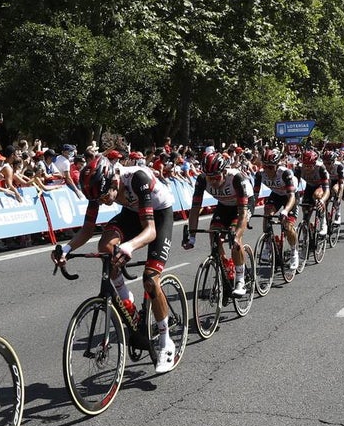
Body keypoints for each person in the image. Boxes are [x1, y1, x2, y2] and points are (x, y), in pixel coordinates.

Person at [51, 156, 179, 372]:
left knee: (150, 278)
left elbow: (150, 231)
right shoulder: (97, 188)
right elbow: (87, 229)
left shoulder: (137, 178)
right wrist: (66, 249)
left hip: (158, 215)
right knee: (105, 246)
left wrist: (129, 246)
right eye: (97, 199)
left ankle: (166, 342)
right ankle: (127, 299)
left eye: (103, 197)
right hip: (131, 213)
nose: (101, 202)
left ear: (113, 180)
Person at [184, 151, 252, 297]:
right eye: (210, 178)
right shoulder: (202, 180)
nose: (213, 181)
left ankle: (240, 279)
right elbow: (195, 209)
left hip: (242, 206)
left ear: (224, 172)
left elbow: (242, 214)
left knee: (235, 237)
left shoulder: (236, 178)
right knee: (214, 233)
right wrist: (192, 237)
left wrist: (236, 236)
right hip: (224, 205)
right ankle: (226, 267)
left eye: (216, 177)